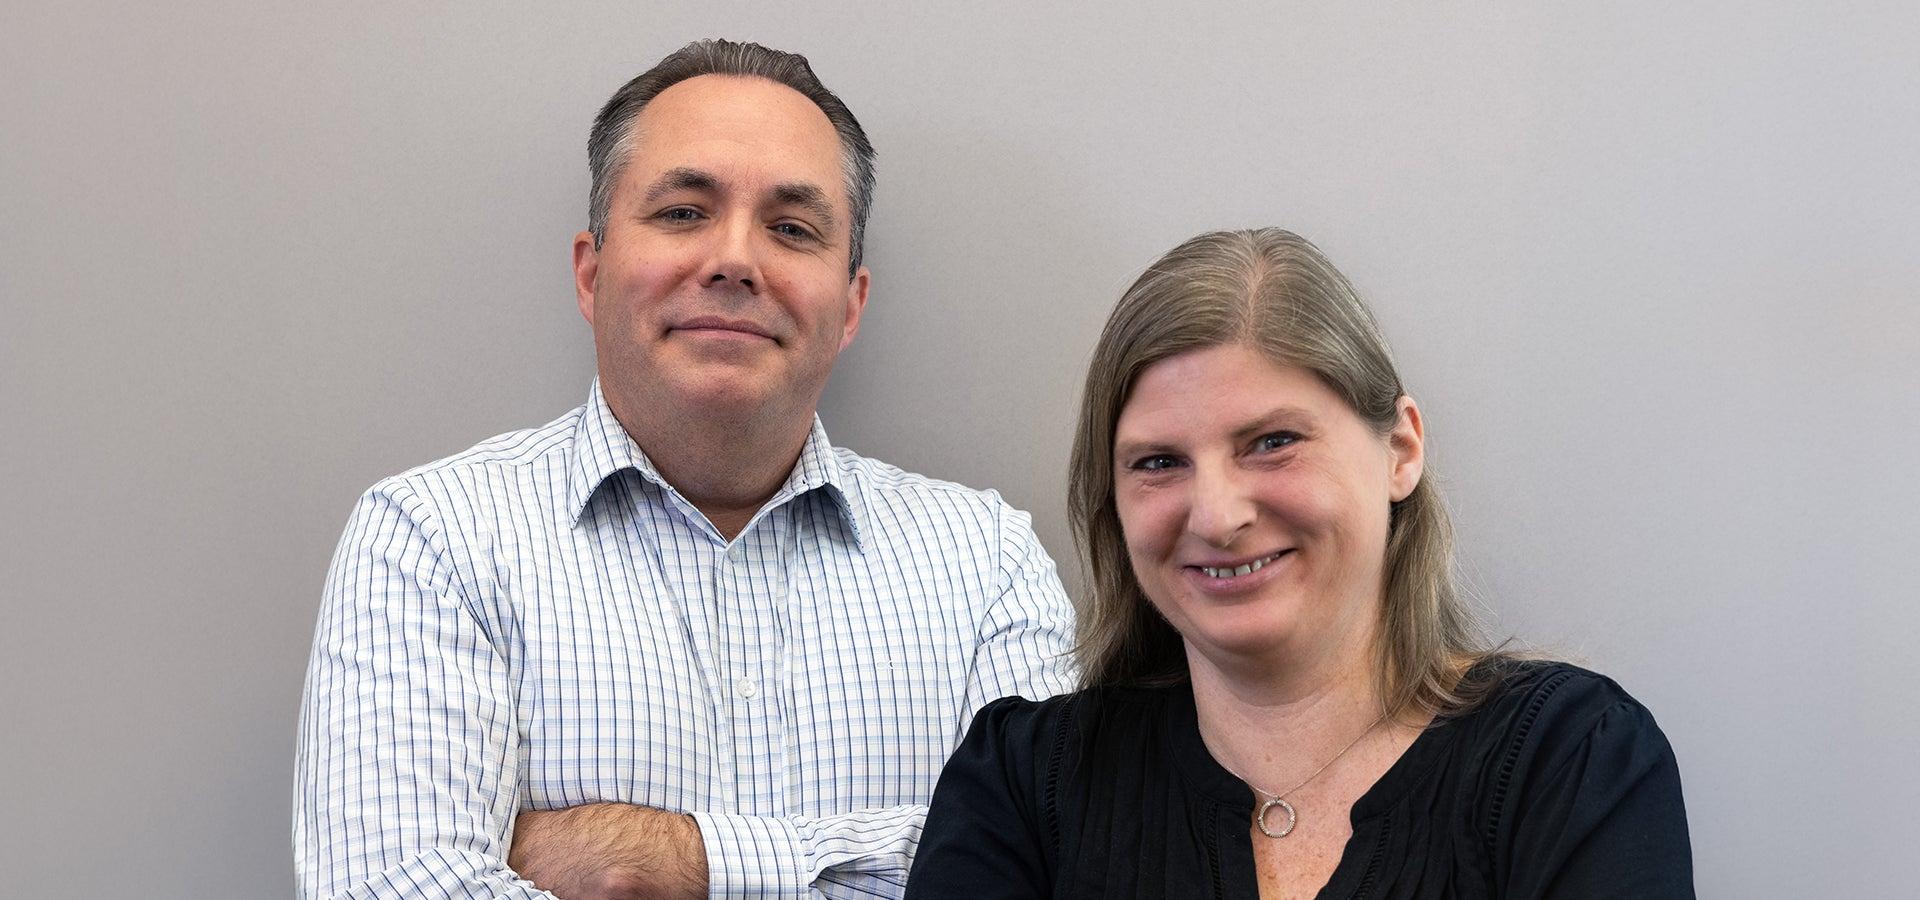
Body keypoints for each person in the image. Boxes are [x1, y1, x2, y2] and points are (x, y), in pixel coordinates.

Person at [293, 39, 1076, 900]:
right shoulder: (434, 541)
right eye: (682, 213)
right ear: (592, 275)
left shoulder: (986, 565)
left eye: (791, 228)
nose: (735, 260)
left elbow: (1054, 872)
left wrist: (672, 860)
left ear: (850, 305)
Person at [906, 228, 1693, 898]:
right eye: (1158, 463)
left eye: (1273, 442)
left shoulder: (1573, 762)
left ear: (1401, 449)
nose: (1217, 515)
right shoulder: (1018, 784)